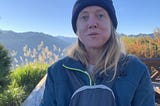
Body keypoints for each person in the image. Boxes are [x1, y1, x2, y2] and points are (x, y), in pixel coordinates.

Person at [40, 0, 155, 106]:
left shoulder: (136, 70)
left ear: (111, 25)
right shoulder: (57, 72)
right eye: (84, 17)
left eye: (100, 15)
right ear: (76, 29)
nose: (92, 23)